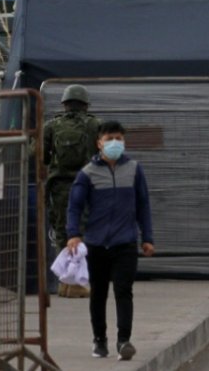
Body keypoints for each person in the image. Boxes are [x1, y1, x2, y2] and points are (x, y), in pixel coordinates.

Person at [66, 120, 155, 360]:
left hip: (125, 243)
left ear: (124, 141)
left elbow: (143, 205)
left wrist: (147, 238)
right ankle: (99, 340)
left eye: (119, 139)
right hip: (96, 244)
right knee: (99, 294)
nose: (115, 143)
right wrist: (73, 234)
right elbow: (74, 206)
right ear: (99, 143)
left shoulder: (134, 170)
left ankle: (124, 340)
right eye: (109, 139)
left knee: (124, 291)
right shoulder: (87, 173)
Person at [43, 84, 100, 298]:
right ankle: (80, 283)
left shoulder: (51, 126)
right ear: (85, 104)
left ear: (64, 104)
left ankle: (65, 284)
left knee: (61, 233)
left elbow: (40, 155)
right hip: (86, 185)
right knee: (83, 231)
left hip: (59, 186)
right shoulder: (95, 125)